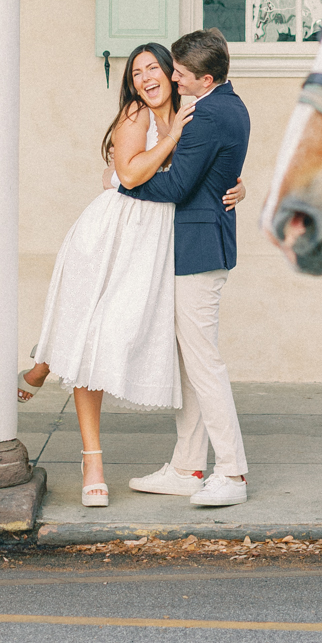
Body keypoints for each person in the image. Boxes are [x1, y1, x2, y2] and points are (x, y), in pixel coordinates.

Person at [17, 42, 244, 508]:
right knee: (95, 329)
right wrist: (158, 149)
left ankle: (43, 364)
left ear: (177, 74)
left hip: (162, 246)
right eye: (136, 72)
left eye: (155, 68)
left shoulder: (197, 112)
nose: (147, 78)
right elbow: (131, 173)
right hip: (115, 236)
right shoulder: (139, 115)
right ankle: (92, 451)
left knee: (169, 353)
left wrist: (237, 184)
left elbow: (198, 170)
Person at [122, 27, 252, 508]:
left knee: (203, 364)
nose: (174, 80)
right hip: (196, 247)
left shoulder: (207, 115)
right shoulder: (230, 105)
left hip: (198, 251)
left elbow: (177, 186)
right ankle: (187, 467)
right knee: (190, 364)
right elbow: (213, 176)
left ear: (206, 78)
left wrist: (123, 182)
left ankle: (232, 472)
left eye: (179, 73)